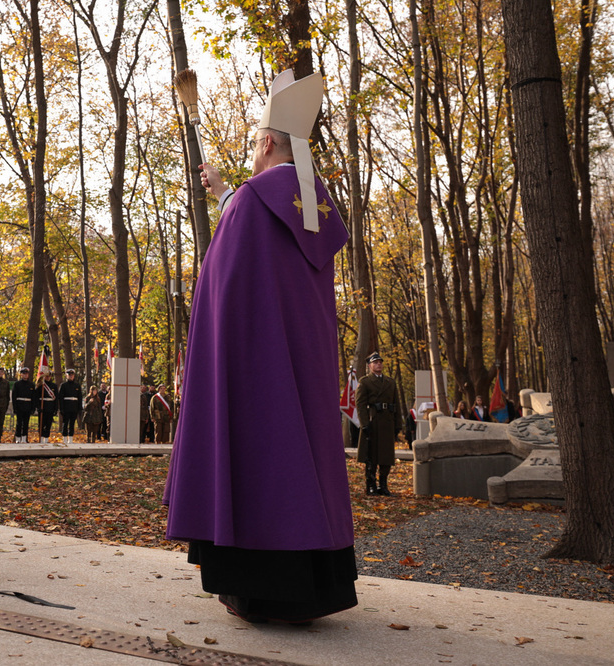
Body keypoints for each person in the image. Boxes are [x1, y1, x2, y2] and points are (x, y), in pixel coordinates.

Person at [165, 70, 357, 625]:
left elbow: (224, 293)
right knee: (300, 462)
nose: (253, 151)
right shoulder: (314, 208)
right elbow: (270, 255)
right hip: (302, 373)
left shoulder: (253, 203)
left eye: (254, 141)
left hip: (254, 377)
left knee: (260, 461)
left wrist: (233, 200)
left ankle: (257, 587)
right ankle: (313, 587)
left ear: (268, 141)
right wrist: (227, 194)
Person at [356, 351, 400, 497]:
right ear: (369, 366)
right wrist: (364, 424)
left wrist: (398, 424)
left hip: (387, 423)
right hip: (372, 422)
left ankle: (383, 485)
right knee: (372, 456)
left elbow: (396, 404)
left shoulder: (390, 382)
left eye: (380, 362)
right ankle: (371, 485)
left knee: (386, 457)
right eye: (375, 362)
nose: (378, 364)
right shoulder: (365, 382)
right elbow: (360, 405)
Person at [58, 368, 82, 443]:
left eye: (72, 375)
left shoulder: (77, 385)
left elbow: (79, 398)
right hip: (66, 407)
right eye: (69, 375)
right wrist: (61, 408)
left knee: (72, 424)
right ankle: (65, 438)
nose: (71, 376)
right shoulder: (63, 385)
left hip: (74, 407)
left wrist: (79, 408)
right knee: (65, 423)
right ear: (66, 376)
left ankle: (70, 439)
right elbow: (60, 398)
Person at [11, 367, 35, 443]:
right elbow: (14, 397)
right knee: (19, 423)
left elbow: (33, 397)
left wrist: (32, 408)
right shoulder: (17, 384)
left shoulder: (31, 385)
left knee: (26, 423)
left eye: (26, 373)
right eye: (24, 373)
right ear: (21, 374)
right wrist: (14, 407)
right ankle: (18, 438)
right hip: (19, 406)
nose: (25, 375)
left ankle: (24, 438)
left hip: (28, 406)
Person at [36, 370, 58, 443]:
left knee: (48, 424)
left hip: (50, 407)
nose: (48, 378)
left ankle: (46, 439)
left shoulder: (54, 386)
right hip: (42, 407)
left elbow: (56, 398)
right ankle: (41, 438)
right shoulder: (40, 386)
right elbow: (36, 397)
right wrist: (38, 407)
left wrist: (55, 409)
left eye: (49, 376)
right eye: (46, 376)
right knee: (42, 424)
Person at [0, 367, 11, 442]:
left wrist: (6, 405)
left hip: (2, 405)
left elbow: (7, 396)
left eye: (2, 372)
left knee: (1, 423)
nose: (0, 373)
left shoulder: (6, 383)